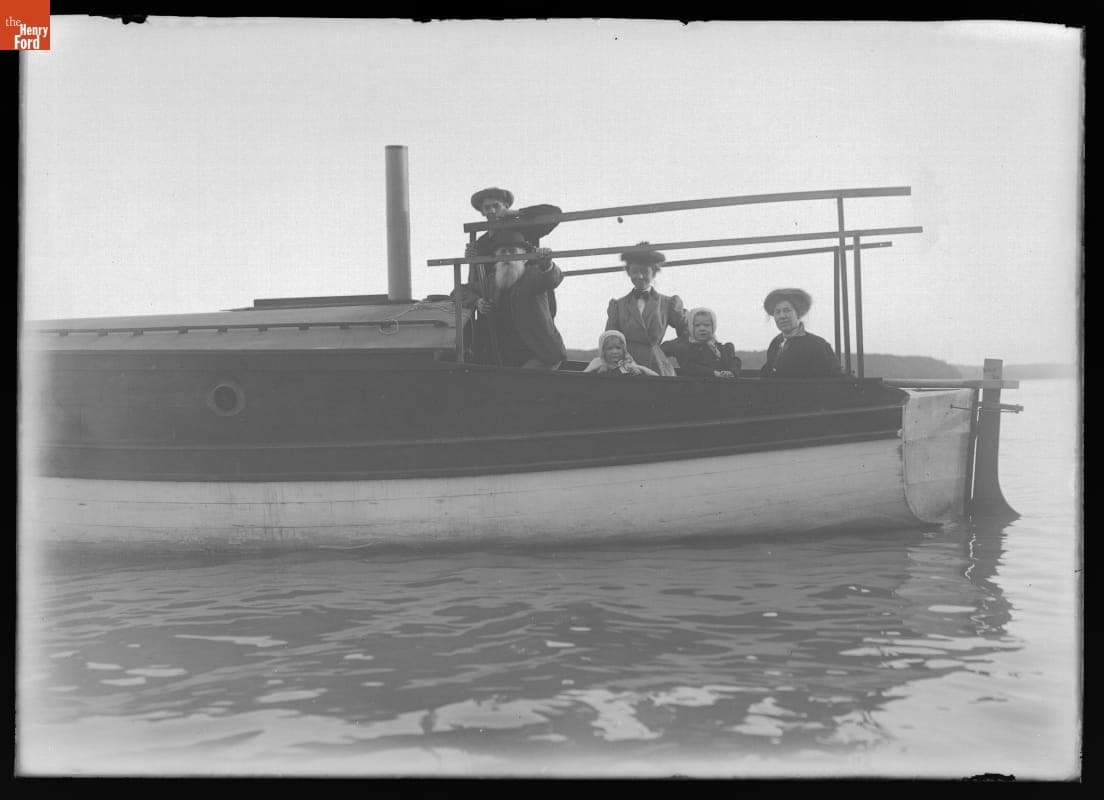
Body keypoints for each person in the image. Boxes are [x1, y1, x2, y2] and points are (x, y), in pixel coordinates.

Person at [453, 229, 567, 370]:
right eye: (502, 252)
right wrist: (477, 302)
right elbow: (458, 291)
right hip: (509, 358)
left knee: (516, 385)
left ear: (525, 258)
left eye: (512, 251)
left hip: (541, 355)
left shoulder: (533, 275)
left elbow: (552, 278)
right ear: (495, 258)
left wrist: (547, 263)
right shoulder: (491, 282)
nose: (507, 256)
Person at [603, 243, 688, 376]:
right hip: (626, 367)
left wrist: (665, 349)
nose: (640, 276)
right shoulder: (617, 306)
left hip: (657, 368)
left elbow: (688, 333)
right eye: (635, 271)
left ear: (653, 272)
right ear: (628, 272)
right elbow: (608, 340)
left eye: (644, 271)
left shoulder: (668, 303)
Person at [759, 288, 843, 378]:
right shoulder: (775, 343)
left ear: (798, 313)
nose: (782, 316)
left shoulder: (817, 345)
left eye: (787, 310)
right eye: (777, 312)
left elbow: (833, 380)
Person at [662, 307, 741, 378]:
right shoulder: (685, 346)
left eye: (706, 325)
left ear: (713, 327)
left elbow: (734, 362)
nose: (702, 328)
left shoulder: (722, 348)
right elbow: (690, 367)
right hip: (695, 389)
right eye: (697, 325)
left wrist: (731, 372)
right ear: (691, 327)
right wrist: (714, 373)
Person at [583, 330, 660, 376]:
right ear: (603, 351)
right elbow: (584, 376)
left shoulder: (627, 362)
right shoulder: (598, 362)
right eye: (610, 348)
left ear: (623, 350)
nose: (615, 352)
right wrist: (597, 372)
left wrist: (636, 372)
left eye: (618, 348)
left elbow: (643, 370)